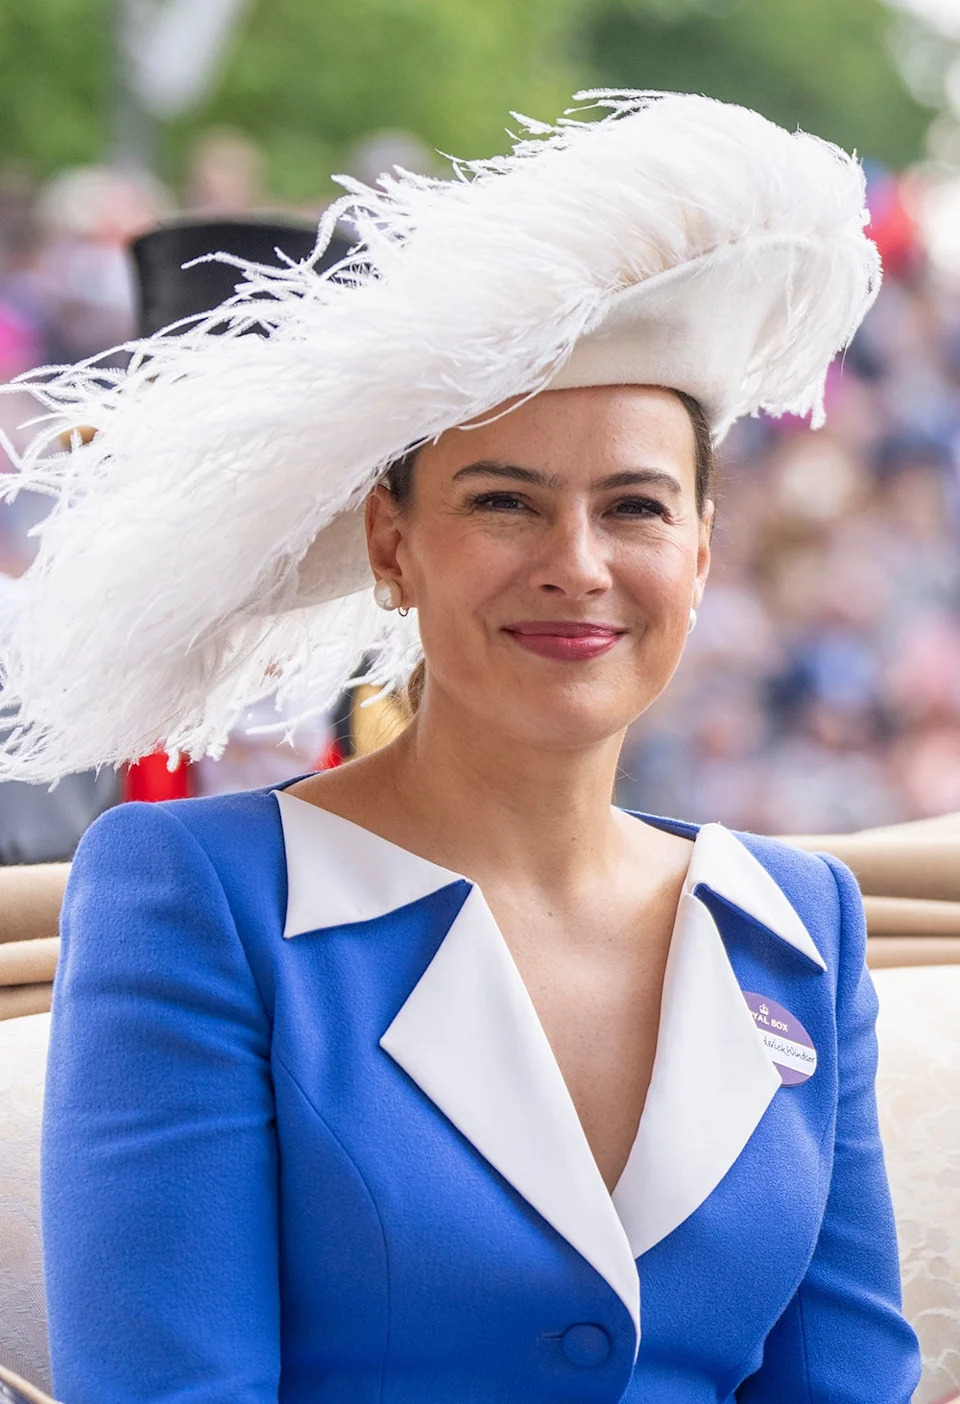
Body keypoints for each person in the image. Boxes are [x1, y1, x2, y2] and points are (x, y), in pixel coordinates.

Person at [0, 91, 920, 1401]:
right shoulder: (197, 896)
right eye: (505, 503)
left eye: (636, 508)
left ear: (702, 554)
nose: (579, 565)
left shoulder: (802, 924)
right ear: (394, 545)